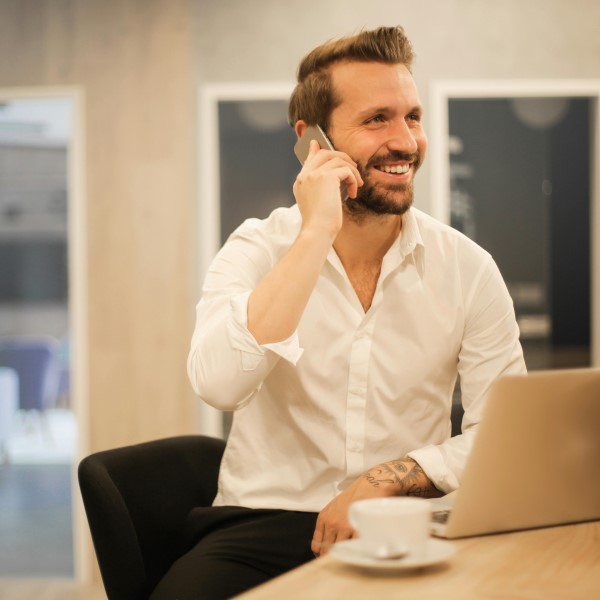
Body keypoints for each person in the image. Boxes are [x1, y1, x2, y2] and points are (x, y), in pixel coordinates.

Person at [153, 25, 526, 599]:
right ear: (313, 141)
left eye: (413, 117)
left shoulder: (469, 269)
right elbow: (220, 385)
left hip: (408, 523)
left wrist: (386, 479)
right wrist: (316, 232)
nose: (406, 141)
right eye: (377, 119)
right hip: (262, 523)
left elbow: (503, 437)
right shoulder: (256, 248)